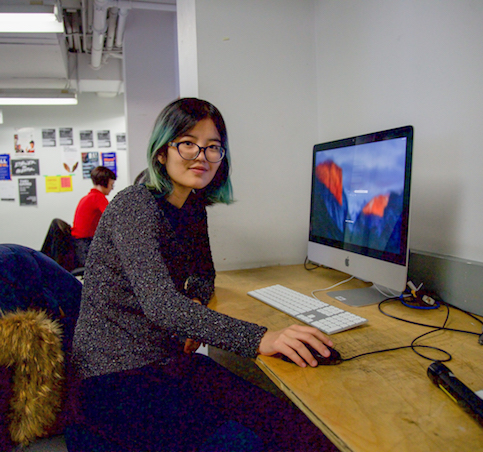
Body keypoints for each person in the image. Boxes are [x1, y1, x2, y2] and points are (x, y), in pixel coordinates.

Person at [71, 98, 337, 451]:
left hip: (167, 361)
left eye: (213, 147)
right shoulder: (133, 207)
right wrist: (260, 339)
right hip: (113, 376)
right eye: (187, 143)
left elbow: (203, 273)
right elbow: (161, 306)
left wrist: (194, 301)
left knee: (285, 421)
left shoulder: (192, 205)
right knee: (243, 442)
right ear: (162, 151)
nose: (201, 155)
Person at [70, 166, 116, 267]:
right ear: (105, 182)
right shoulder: (98, 198)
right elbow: (113, 218)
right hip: (86, 248)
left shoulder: (88, 197)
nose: (112, 189)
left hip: (79, 245)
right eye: (111, 185)